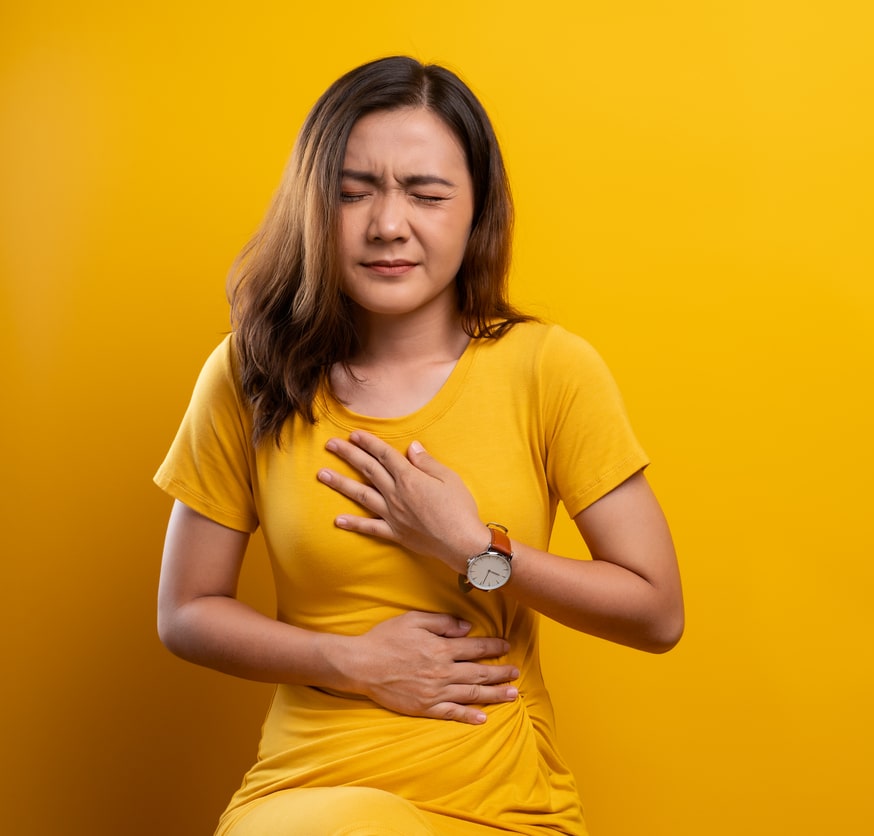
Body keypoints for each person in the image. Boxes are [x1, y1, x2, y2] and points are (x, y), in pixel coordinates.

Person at [154, 55, 683, 836]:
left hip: (499, 800)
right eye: (353, 192)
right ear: (315, 204)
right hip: (306, 794)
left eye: (427, 194)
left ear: (476, 212)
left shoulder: (548, 369)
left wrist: (472, 548)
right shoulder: (249, 372)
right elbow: (186, 611)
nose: (387, 224)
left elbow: (657, 612)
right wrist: (349, 662)